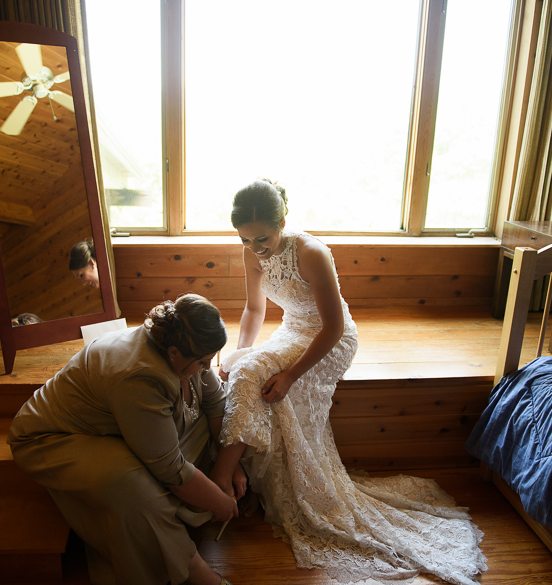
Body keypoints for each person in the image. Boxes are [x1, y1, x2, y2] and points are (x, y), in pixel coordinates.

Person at [208, 179, 488, 585]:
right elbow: (254, 308)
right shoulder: (252, 252)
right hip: (293, 330)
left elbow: (335, 327)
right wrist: (238, 352)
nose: (256, 249)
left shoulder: (312, 253)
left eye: (263, 239)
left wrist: (289, 375)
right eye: (247, 240)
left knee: (257, 375)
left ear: (283, 221)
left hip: (329, 338)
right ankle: (241, 477)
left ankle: (221, 477)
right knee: (241, 366)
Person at [7, 294, 242, 585]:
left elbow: (216, 403)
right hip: (53, 437)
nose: (208, 368)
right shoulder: (141, 376)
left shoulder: (185, 341)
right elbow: (171, 471)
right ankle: (197, 573)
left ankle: (169, 519)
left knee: (200, 432)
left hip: (110, 425)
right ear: (173, 353)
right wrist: (219, 501)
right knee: (136, 491)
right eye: (203, 362)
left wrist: (227, 466)